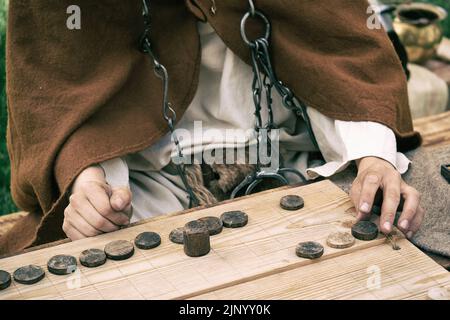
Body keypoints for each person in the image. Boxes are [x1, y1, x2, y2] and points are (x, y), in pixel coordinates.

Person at [1, 0, 423, 255]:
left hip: (300, 161)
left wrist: (372, 156)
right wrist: (90, 185)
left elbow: (338, 38)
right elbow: (61, 77)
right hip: (145, 186)